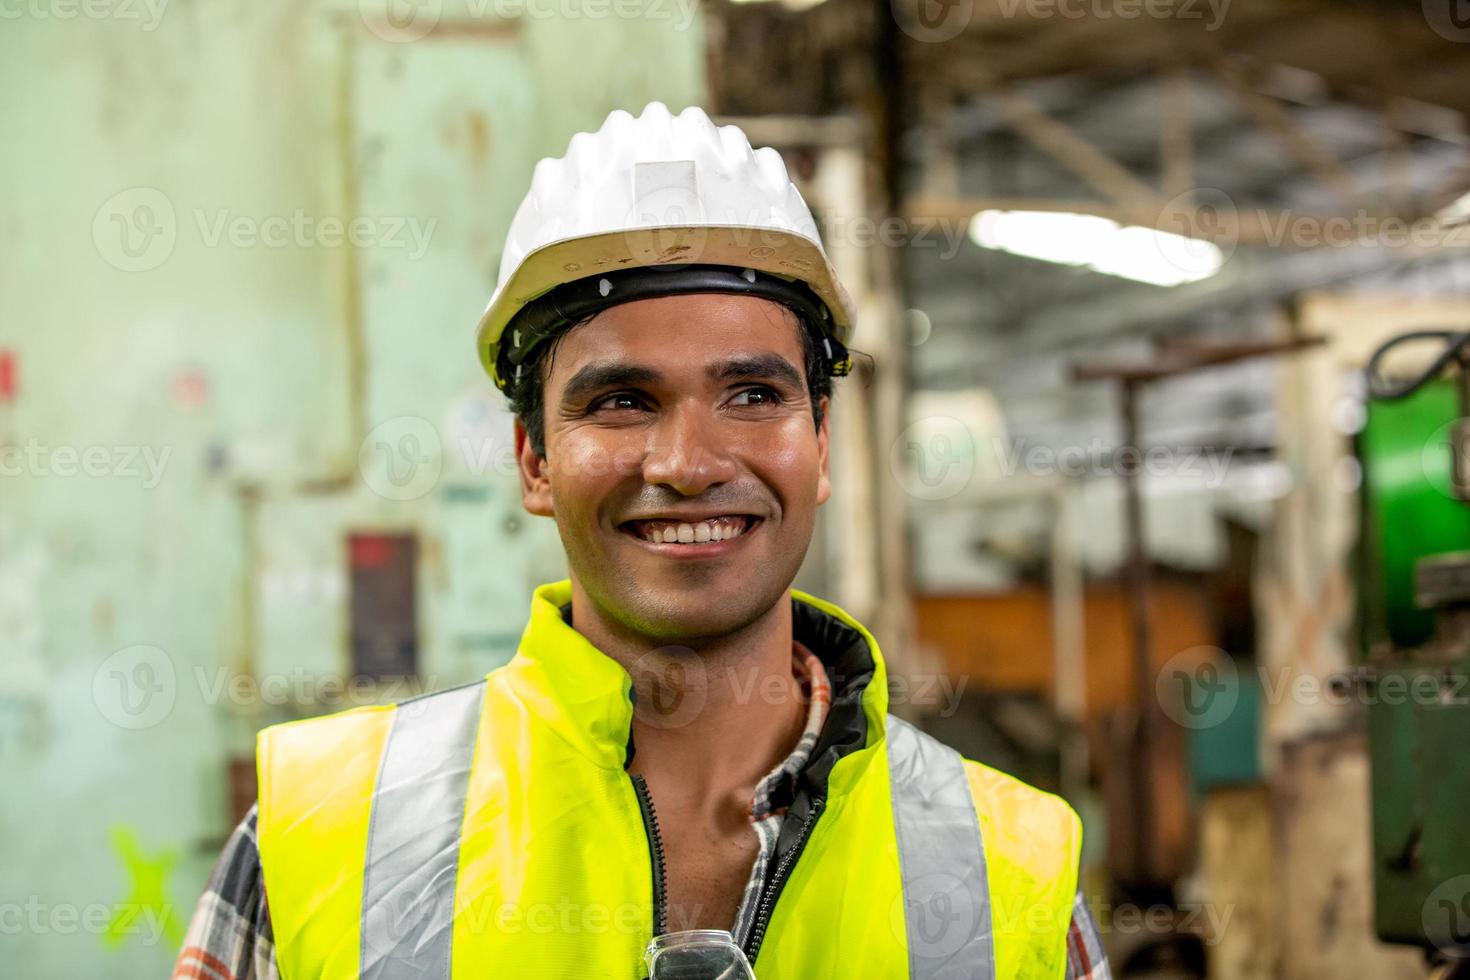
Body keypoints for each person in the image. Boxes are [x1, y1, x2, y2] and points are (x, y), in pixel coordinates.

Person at [174, 102, 1111, 980]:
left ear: (820, 445)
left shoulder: (1008, 872)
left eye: (752, 394)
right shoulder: (322, 832)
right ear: (534, 460)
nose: (690, 462)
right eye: (622, 401)